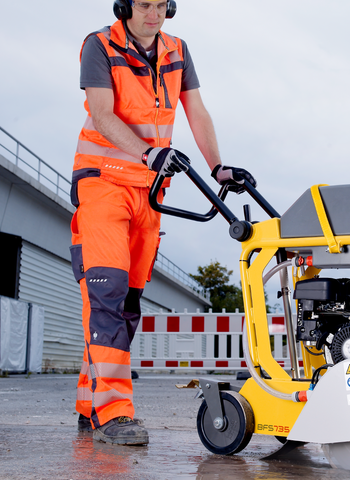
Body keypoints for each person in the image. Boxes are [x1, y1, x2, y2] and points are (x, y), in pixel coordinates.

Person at [70, 0, 255, 445]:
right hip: (103, 185)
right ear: (124, 6)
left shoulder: (177, 50)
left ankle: (88, 403)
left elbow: (197, 111)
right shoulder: (99, 45)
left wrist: (217, 168)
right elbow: (101, 112)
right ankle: (114, 414)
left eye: (160, 5)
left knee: (127, 304)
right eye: (144, 5)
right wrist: (147, 152)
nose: (153, 14)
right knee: (107, 295)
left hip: (149, 194)